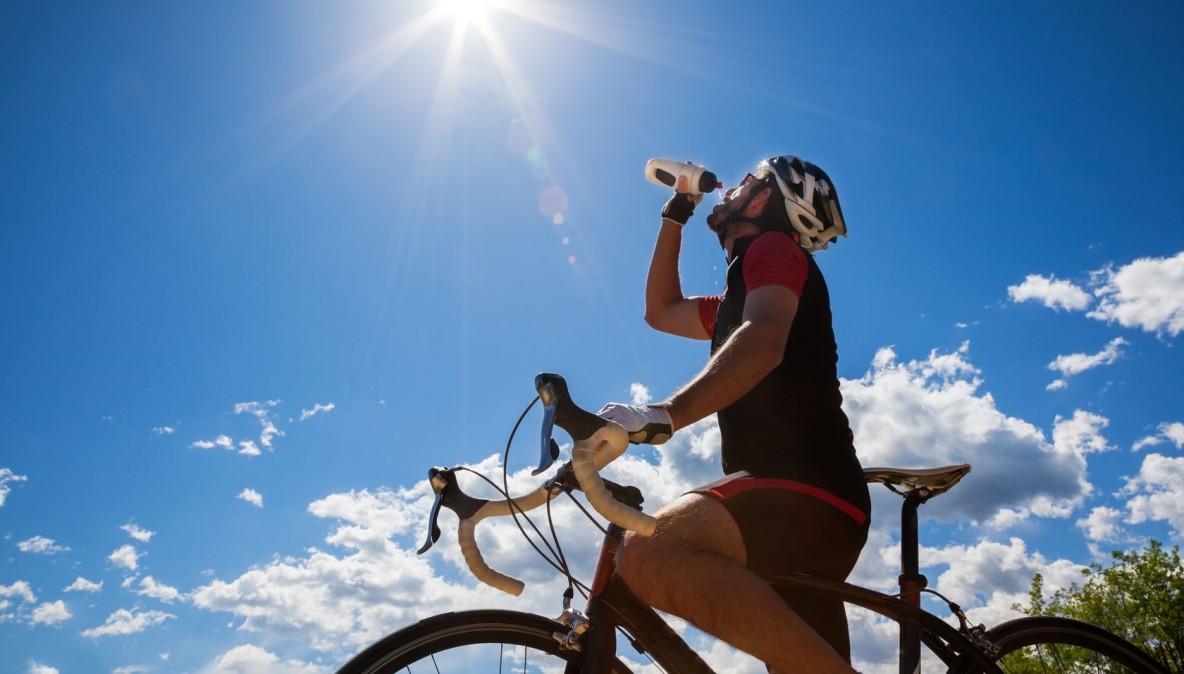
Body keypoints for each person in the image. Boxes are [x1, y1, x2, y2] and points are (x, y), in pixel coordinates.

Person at [598, 156, 871, 673]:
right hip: (803, 505)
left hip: (805, 488)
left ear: (767, 198)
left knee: (650, 551)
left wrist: (665, 414)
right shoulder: (735, 298)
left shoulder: (773, 249)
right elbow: (660, 310)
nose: (732, 188)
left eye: (747, 181)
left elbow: (763, 341)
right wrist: (675, 213)